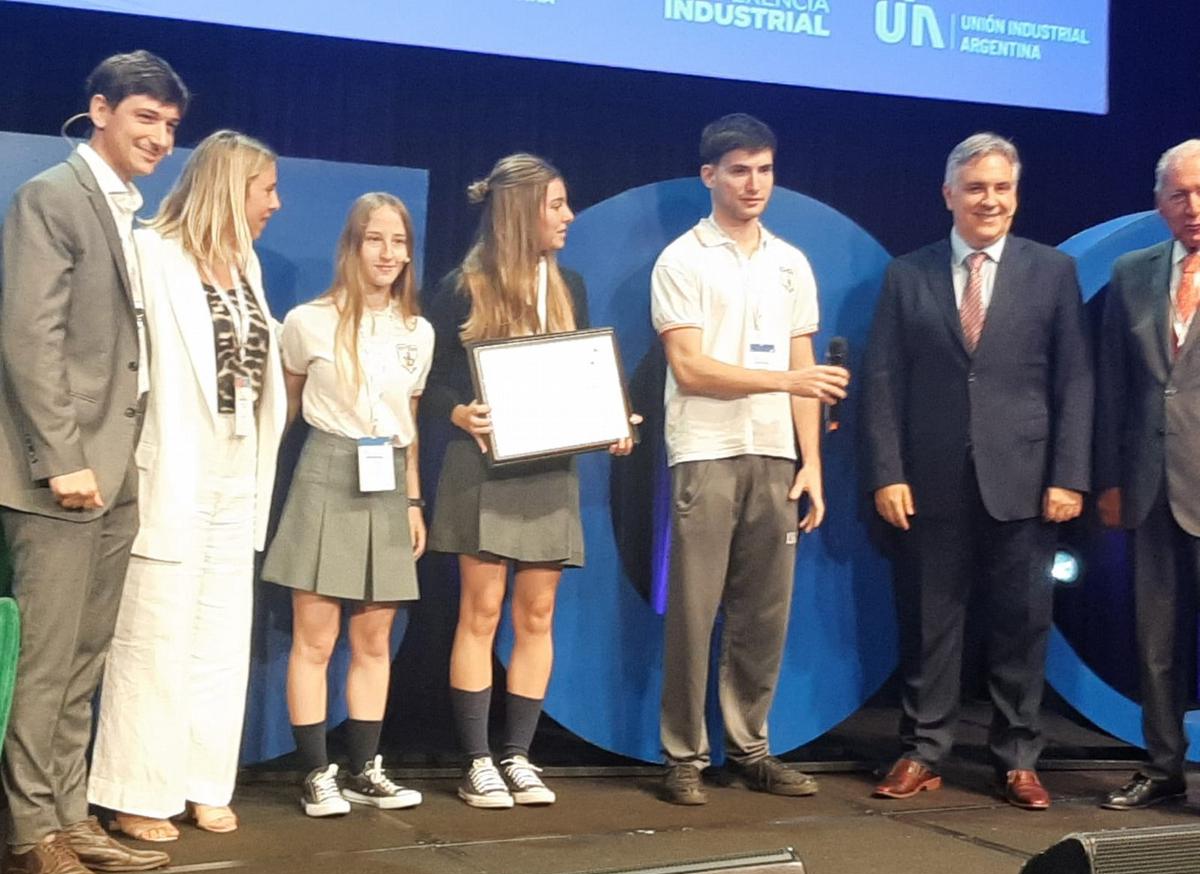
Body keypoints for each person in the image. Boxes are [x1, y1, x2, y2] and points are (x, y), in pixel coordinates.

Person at [0, 51, 187, 874]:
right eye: (146, 118)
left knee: (84, 655)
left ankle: (68, 815)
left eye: (170, 126)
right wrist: (63, 458)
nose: (159, 137)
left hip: (117, 468)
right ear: (100, 110)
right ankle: (30, 835)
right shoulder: (52, 196)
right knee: (44, 662)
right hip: (62, 474)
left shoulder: (126, 210)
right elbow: (29, 340)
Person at [861, 133, 1092, 810]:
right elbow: (882, 381)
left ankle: (1017, 758)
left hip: (1026, 481)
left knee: (1022, 625)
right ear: (949, 196)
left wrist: (1070, 475)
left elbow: (1075, 382)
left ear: (1014, 196)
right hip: (928, 481)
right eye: (976, 188)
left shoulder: (1052, 272)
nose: (989, 200)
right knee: (931, 624)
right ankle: (924, 749)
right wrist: (887, 471)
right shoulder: (908, 274)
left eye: (1001, 188)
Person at [87, 130, 286, 841]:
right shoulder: (151, 253)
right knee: (155, 635)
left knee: (220, 636)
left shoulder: (247, 266)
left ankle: (203, 779)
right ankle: (136, 790)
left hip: (237, 471)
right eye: (266, 189)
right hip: (172, 466)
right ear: (230, 188)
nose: (276, 203)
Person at [426, 153, 636, 810]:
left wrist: (613, 417)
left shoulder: (568, 283)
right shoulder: (462, 286)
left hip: (550, 470)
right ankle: (476, 760)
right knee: (480, 612)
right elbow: (425, 383)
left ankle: (518, 754)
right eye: (557, 205)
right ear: (521, 212)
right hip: (482, 469)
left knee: (537, 614)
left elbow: (585, 376)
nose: (568, 216)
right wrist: (458, 411)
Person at [652, 113, 849, 806]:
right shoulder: (682, 259)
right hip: (705, 450)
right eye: (739, 170)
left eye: (765, 169)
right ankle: (683, 755)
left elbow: (807, 371)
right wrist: (791, 382)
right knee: (694, 611)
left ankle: (751, 748)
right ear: (709, 176)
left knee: (764, 614)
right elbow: (692, 367)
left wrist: (811, 462)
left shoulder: (791, 261)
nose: (754, 183)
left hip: (774, 453)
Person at [261, 193, 431, 817]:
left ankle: (364, 768)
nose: (388, 253)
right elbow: (279, 414)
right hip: (325, 469)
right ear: (353, 246)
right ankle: (314, 773)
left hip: (387, 479)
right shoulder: (308, 321)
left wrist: (414, 500)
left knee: (374, 637)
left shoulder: (420, 331)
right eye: (375, 240)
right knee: (315, 636)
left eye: (398, 241)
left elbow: (409, 422)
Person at [1096, 139, 1200, 811]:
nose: (1193, 206)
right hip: (1147, 483)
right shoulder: (1132, 271)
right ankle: (1163, 765)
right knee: (1155, 641)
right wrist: (1108, 478)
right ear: (1158, 203)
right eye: (1179, 194)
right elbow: (1111, 384)